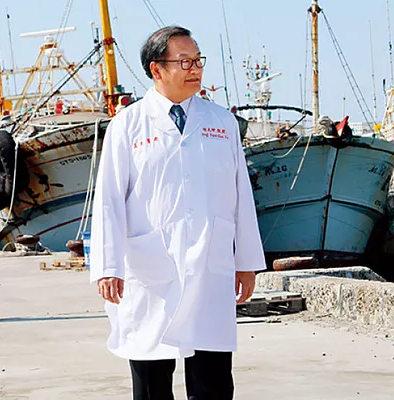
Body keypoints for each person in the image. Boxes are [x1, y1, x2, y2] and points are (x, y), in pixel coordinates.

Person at [90, 25, 266, 400]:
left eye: (198, 60)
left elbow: (241, 197)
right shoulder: (128, 125)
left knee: (212, 379)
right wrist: (108, 266)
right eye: (184, 61)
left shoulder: (222, 123)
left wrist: (246, 262)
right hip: (150, 268)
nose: (195, 69)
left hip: (209, 264)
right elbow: (108, 199)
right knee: (151, 380)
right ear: (157, 69)